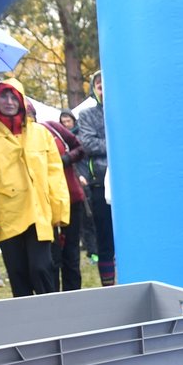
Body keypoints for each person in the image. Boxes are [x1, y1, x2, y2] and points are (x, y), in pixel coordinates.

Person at [0, 79, 69, 297]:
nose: (8, 101)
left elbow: (55, 174)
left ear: (22, 100)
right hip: (7, 214)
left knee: (42, 268)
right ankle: (25, 326)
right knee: (17, 273)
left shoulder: (41, 133)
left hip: (39, 211)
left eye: (13, 96)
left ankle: (52, 317)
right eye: (2, 97)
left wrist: (60, 211)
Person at [40, 114, 86, 291]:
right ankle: (54, 299)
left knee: (71, 253)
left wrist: (64, 160)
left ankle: (73, 296)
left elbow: (80, 148)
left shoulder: (52, 127)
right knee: (51, 257)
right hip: (44, 204)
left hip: (70, 198)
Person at [77, 70, 115, 285]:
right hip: (100, 182)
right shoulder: (86, 115)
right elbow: (89, 144)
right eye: (98, 84)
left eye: (106, 83)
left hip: (131, 183)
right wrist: (117, 145)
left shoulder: (125, 111)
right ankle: (109, 285)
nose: (103, 87)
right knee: (105, 238)